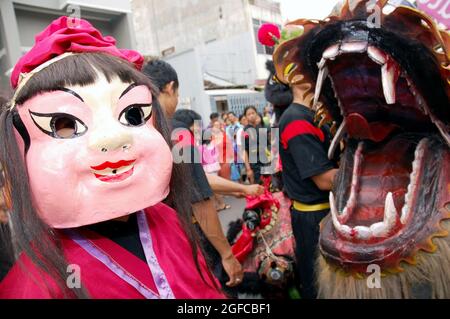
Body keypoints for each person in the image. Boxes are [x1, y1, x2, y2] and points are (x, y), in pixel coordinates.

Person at [0, 17, 224, 299]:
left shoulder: (170, 221)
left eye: (133, 115)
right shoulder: (35, 284)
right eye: (63, 124)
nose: (113, 138)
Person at [277, 74, 338, 300]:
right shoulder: (296, 120)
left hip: (326, 211)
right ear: (292, 78)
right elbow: (324, 179)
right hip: (315, 218)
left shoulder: (314, 114)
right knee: (321, 285)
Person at [242, 106, 269, 184]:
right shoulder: (245, 131)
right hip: (254, 165)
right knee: (258, 187)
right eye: (248, 114)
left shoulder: (261, 127)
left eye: (253, 113)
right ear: (246, 117)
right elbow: (244, 151)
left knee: (268, 186)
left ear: (256, 113)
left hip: (266, 162)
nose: (251, 115)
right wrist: (248, 169)